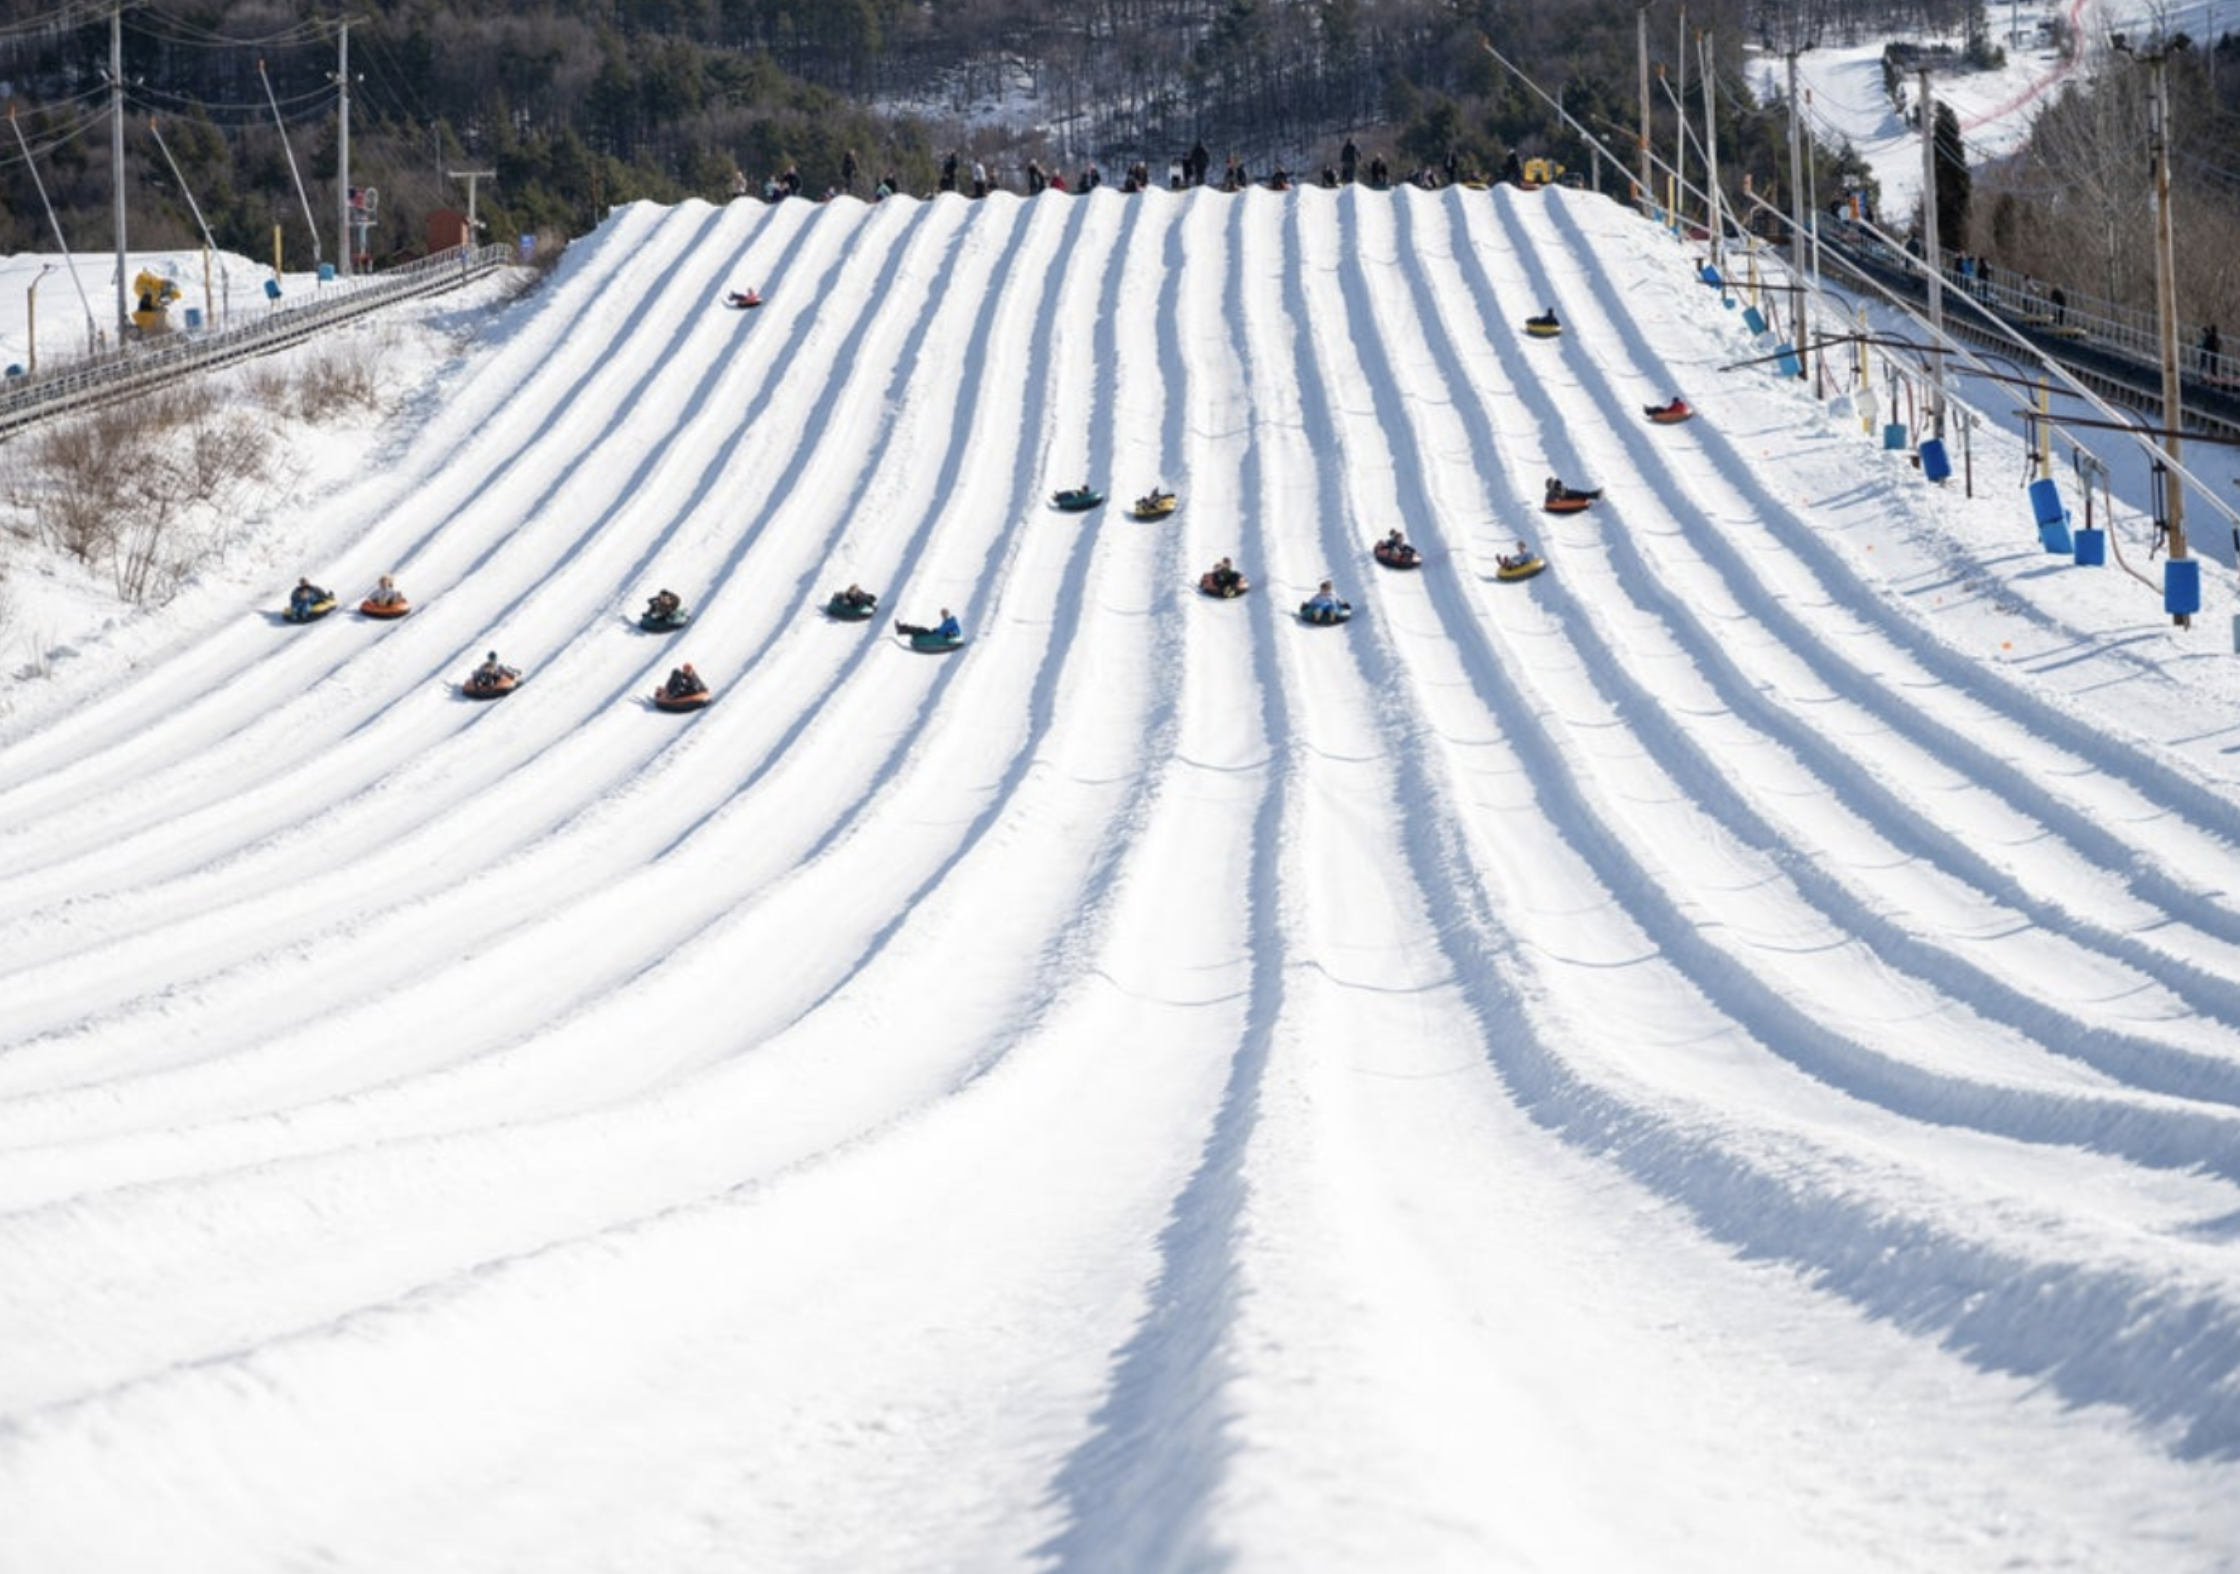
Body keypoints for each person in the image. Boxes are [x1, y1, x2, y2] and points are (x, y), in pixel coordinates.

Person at [895, 608, 961, 640]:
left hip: (936, 637)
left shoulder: (952, 621)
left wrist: (951, 633)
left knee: (920, 630)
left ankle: (901, 629)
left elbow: (957, 631)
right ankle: (902, 628)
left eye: (944, 615)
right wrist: (936, 629)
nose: (943, 617)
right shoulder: (945, 622)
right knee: (921, 629)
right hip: (935, 634)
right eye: (942, 615)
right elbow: (942, 629)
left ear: (948, 614)